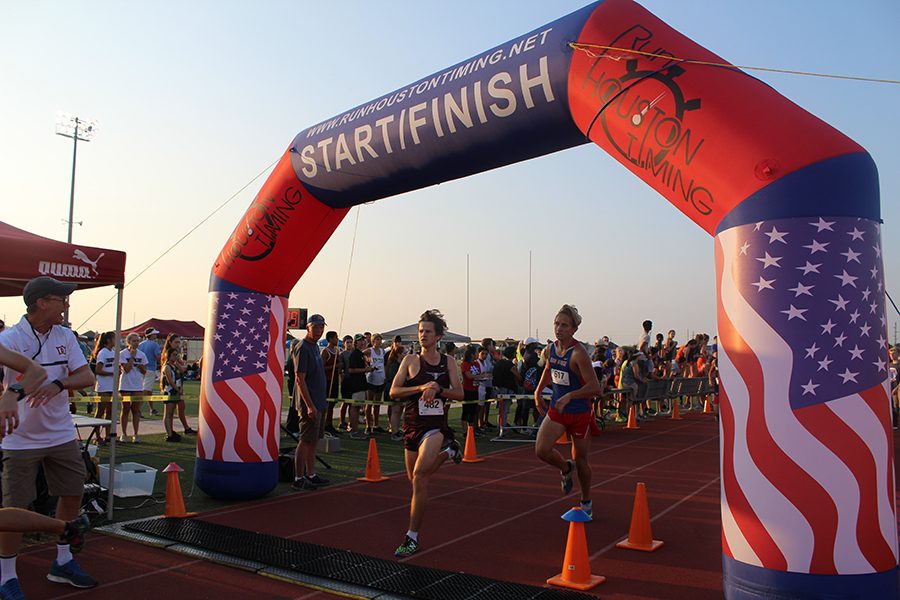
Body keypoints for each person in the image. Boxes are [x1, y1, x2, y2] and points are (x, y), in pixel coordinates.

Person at [0, 276, 98, 596]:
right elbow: (26, 376)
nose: (67, 305)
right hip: (19, 437)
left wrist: (59, 385)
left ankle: (63, 561)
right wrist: (13, 394)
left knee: (72, 493)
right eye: (61, 299)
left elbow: (86, 375)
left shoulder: (66, 336)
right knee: (15, 507)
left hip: (60, 432)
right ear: (41, 302)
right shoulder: (11, 338)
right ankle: (7, 577)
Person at [390, 309, 463, 557]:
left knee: (420, 477)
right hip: (412, 426)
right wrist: (422, 386)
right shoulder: (409, 361)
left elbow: (460, 394)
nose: (423, 335)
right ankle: (450, 451)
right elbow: (393, 391)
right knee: (414, 480)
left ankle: (412, 536)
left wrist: (438, 389)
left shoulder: (448, 363)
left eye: (428, 332)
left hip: (435, 427)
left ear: (438, 336)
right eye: (421, 331)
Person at [534, 305, 602, 518]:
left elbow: (595, 387)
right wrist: (538, 391)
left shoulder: (579, 354)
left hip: (579, 412)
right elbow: (548, 369)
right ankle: (565, 468)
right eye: (556, 323)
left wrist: (571, 395)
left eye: (564, 325)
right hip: (557, 409)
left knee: (581, 459)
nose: (559, 328)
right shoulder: (551, 349)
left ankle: (586, 500)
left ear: (573, 329)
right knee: (541, 450)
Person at [291, 314, 330, 491]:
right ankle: (299, 477)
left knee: (313, 440)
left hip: (319, 402)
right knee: (305, 440)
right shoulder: (303, 347)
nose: (319, 330)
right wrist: (309, 405)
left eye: (322, 327)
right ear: (308, 327)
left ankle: (311, 473)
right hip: (310, 404)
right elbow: (300, 379)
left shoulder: (315, 347)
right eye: (316, 327)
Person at [118, 332, 148, 443]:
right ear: (128, 342)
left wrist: (140, 367)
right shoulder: (122, 354)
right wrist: (132, 357)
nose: (136, 343)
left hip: (137, 385)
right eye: (134, 341)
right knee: (125, 409)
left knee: (136, 410)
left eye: (137, 341)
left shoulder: (142, 354)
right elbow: (126, 369)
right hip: (126, 385)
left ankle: (136, 433)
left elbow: (145, 371)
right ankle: (124, 434)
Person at [90, 331, 116, 445]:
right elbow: (98, 370)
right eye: (114, 338)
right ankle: (97, 436)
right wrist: (111, 373)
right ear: (109, 340)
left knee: (110, 412)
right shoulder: (103, 352)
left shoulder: (113, 352)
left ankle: (108, 436)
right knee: (100, 411)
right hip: (103, 387)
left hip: (112, 386)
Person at [346, 334, 373, 439]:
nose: (362, 342)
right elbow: (351, 370)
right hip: (355, 384)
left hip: (361, 383)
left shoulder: (360, 354)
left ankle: (355, 429)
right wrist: (365, 370)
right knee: (355, 407)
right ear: (355, 343)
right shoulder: (354, 354)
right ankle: (354, 430)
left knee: (358, 408)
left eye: (363, 340)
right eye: (359, 341)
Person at [160, 334, 185, 442]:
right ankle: (169, 434)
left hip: (175, 391)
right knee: (168, 413)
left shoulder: (174, 365)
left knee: (172, 413)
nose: (175, 356)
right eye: (174, 355)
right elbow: (170, 381)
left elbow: (182, 370)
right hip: (170, 391)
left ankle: (171, 431)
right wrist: (177, 389)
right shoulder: (167, 366)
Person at [364, 333, 387, 434]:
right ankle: (368, 425)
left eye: (380, 340)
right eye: (377, 339)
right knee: (369, 403)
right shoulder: (370, 350)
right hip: (371, 379)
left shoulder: (382, 351)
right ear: (373, 341)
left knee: (377, 404)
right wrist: (367, 363)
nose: (379, 341)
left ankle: (376, 424)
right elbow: (361, 354)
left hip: (381, 378)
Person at [321, 330, 342, 435]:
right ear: (330, 339)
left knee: (332, 403)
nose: (337, 339)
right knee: (326, 404)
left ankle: (329, 424)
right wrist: (334, 367)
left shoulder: (336, 351)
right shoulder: (326, 351)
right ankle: (324, 424)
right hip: (327, 380)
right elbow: (321, 367)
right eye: (335, 337)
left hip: (335, 380)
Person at [138, 327, 162, 416]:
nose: (156, 335)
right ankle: (137, 409)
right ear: (151, 335)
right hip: (150, 369)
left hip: (141, 369)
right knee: (146, 390)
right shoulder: (155, 345)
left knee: (148, 390)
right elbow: (158, 357)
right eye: (155, 334)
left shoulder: (141, 344)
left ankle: (152, 409)